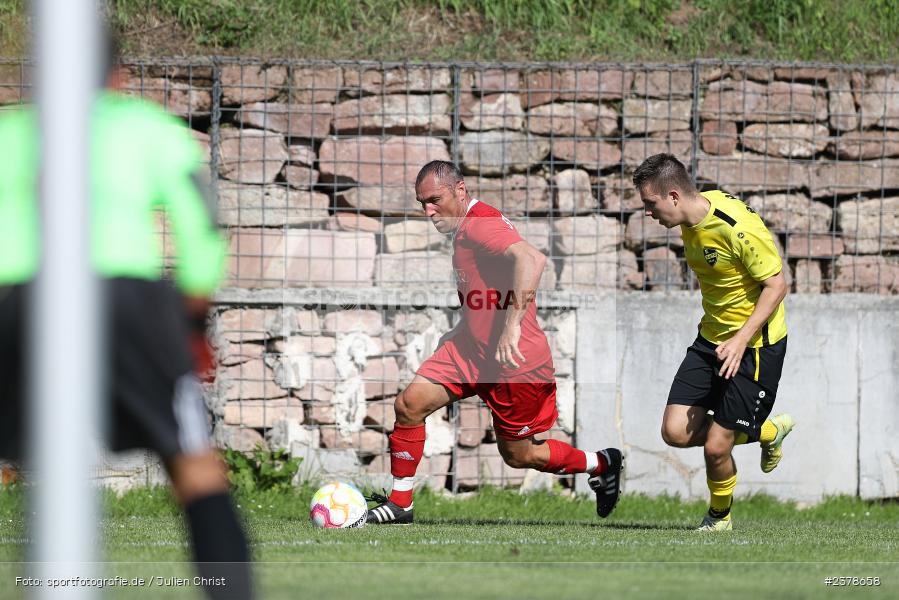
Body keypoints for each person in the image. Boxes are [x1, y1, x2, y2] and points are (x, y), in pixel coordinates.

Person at [0, 47, 252, 598]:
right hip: (127, 300)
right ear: (119, 75)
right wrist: (191, 322)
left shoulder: (10, 135)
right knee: (193, 465)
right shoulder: (148, 129)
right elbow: (203, 233)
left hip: (16, 298)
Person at [365, 160, 623, 524]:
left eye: (435, 199)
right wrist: (460, 330)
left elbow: (531, 259)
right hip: (472, 352)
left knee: (519, 456)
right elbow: (485, 294)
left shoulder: (480, 225)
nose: (428, 210)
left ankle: (601, 463)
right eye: (422, 203)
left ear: (460, 189)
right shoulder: (465, 229)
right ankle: (400, 504)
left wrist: (511, 326)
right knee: (409, 405)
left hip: (514, 362)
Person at [632, 153, 795, 532]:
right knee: (674, 431)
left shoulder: (736, 228)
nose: (648, 212)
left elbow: (777, 285)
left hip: (754, 346)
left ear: (674, 196)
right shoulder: (691, 217)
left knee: (717, 446)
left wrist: (741, 340)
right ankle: (767, 430)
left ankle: (719, 518)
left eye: (650, 203)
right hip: (712, 340)